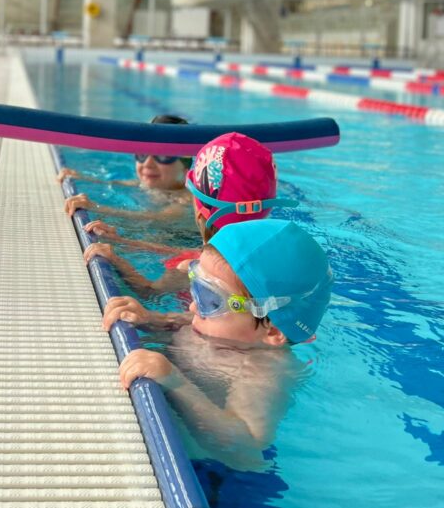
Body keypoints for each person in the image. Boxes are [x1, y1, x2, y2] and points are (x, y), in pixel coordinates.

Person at [102, 218, 332, 470]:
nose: (192, 306)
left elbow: (245, 451)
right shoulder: (218, 326)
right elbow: (188, 322)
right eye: (195, 285)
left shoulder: (264, 371)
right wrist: (150, 319)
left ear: (273, 330)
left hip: (211, 475)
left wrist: (175, 382)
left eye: (210, 300)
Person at [83, 132, 295, 298]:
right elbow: (191, 252)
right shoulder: (270, 260)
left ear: (201, 206)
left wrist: (115, 259)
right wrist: (123, 241)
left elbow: (149, 291)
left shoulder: (195, 269)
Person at [62, 114, 194, 223]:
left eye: (163, 155)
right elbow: (119, 184)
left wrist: (96, 207)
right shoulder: (145, 184)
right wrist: (82, 177)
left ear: (185, 167)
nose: (148, 163)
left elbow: (158, 218)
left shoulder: (185, 200)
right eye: (142, 153)